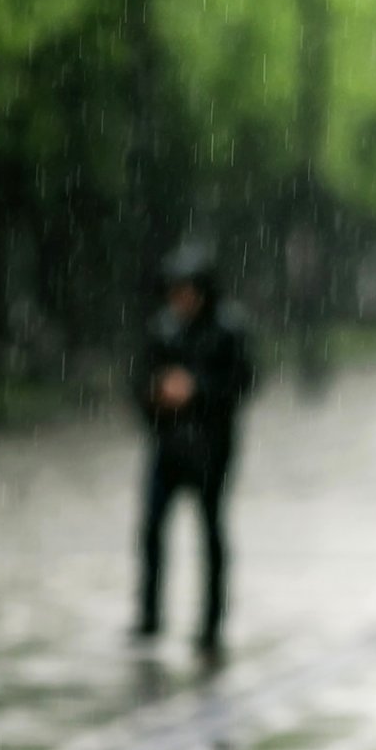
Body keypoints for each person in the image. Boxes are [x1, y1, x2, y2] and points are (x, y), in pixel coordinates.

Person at [131, 244, 257, 657]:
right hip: (167, 445)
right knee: (151, 528)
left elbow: (243, 384)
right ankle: (149, 615)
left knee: (210, 530)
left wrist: (197, 390)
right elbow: (137, 383)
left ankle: (211, 622)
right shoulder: (162, 329)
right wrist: (157, 395)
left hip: (211, 447)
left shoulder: (228, 329)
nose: (181, 299)